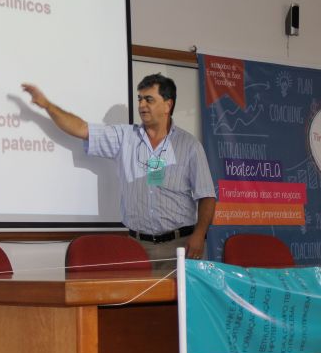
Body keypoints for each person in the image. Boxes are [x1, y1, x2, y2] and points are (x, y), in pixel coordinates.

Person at [22, 74, 215, 269]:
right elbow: (81, 128)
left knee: (181, 291)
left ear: (167, 105)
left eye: (149, 99)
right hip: (137, 248)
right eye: (140, 99)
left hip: (181, 246)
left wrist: (199, 235)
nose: (141, 105)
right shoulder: (125, 137)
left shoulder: (189, 145)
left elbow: (207, 195)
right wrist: (47, 105)